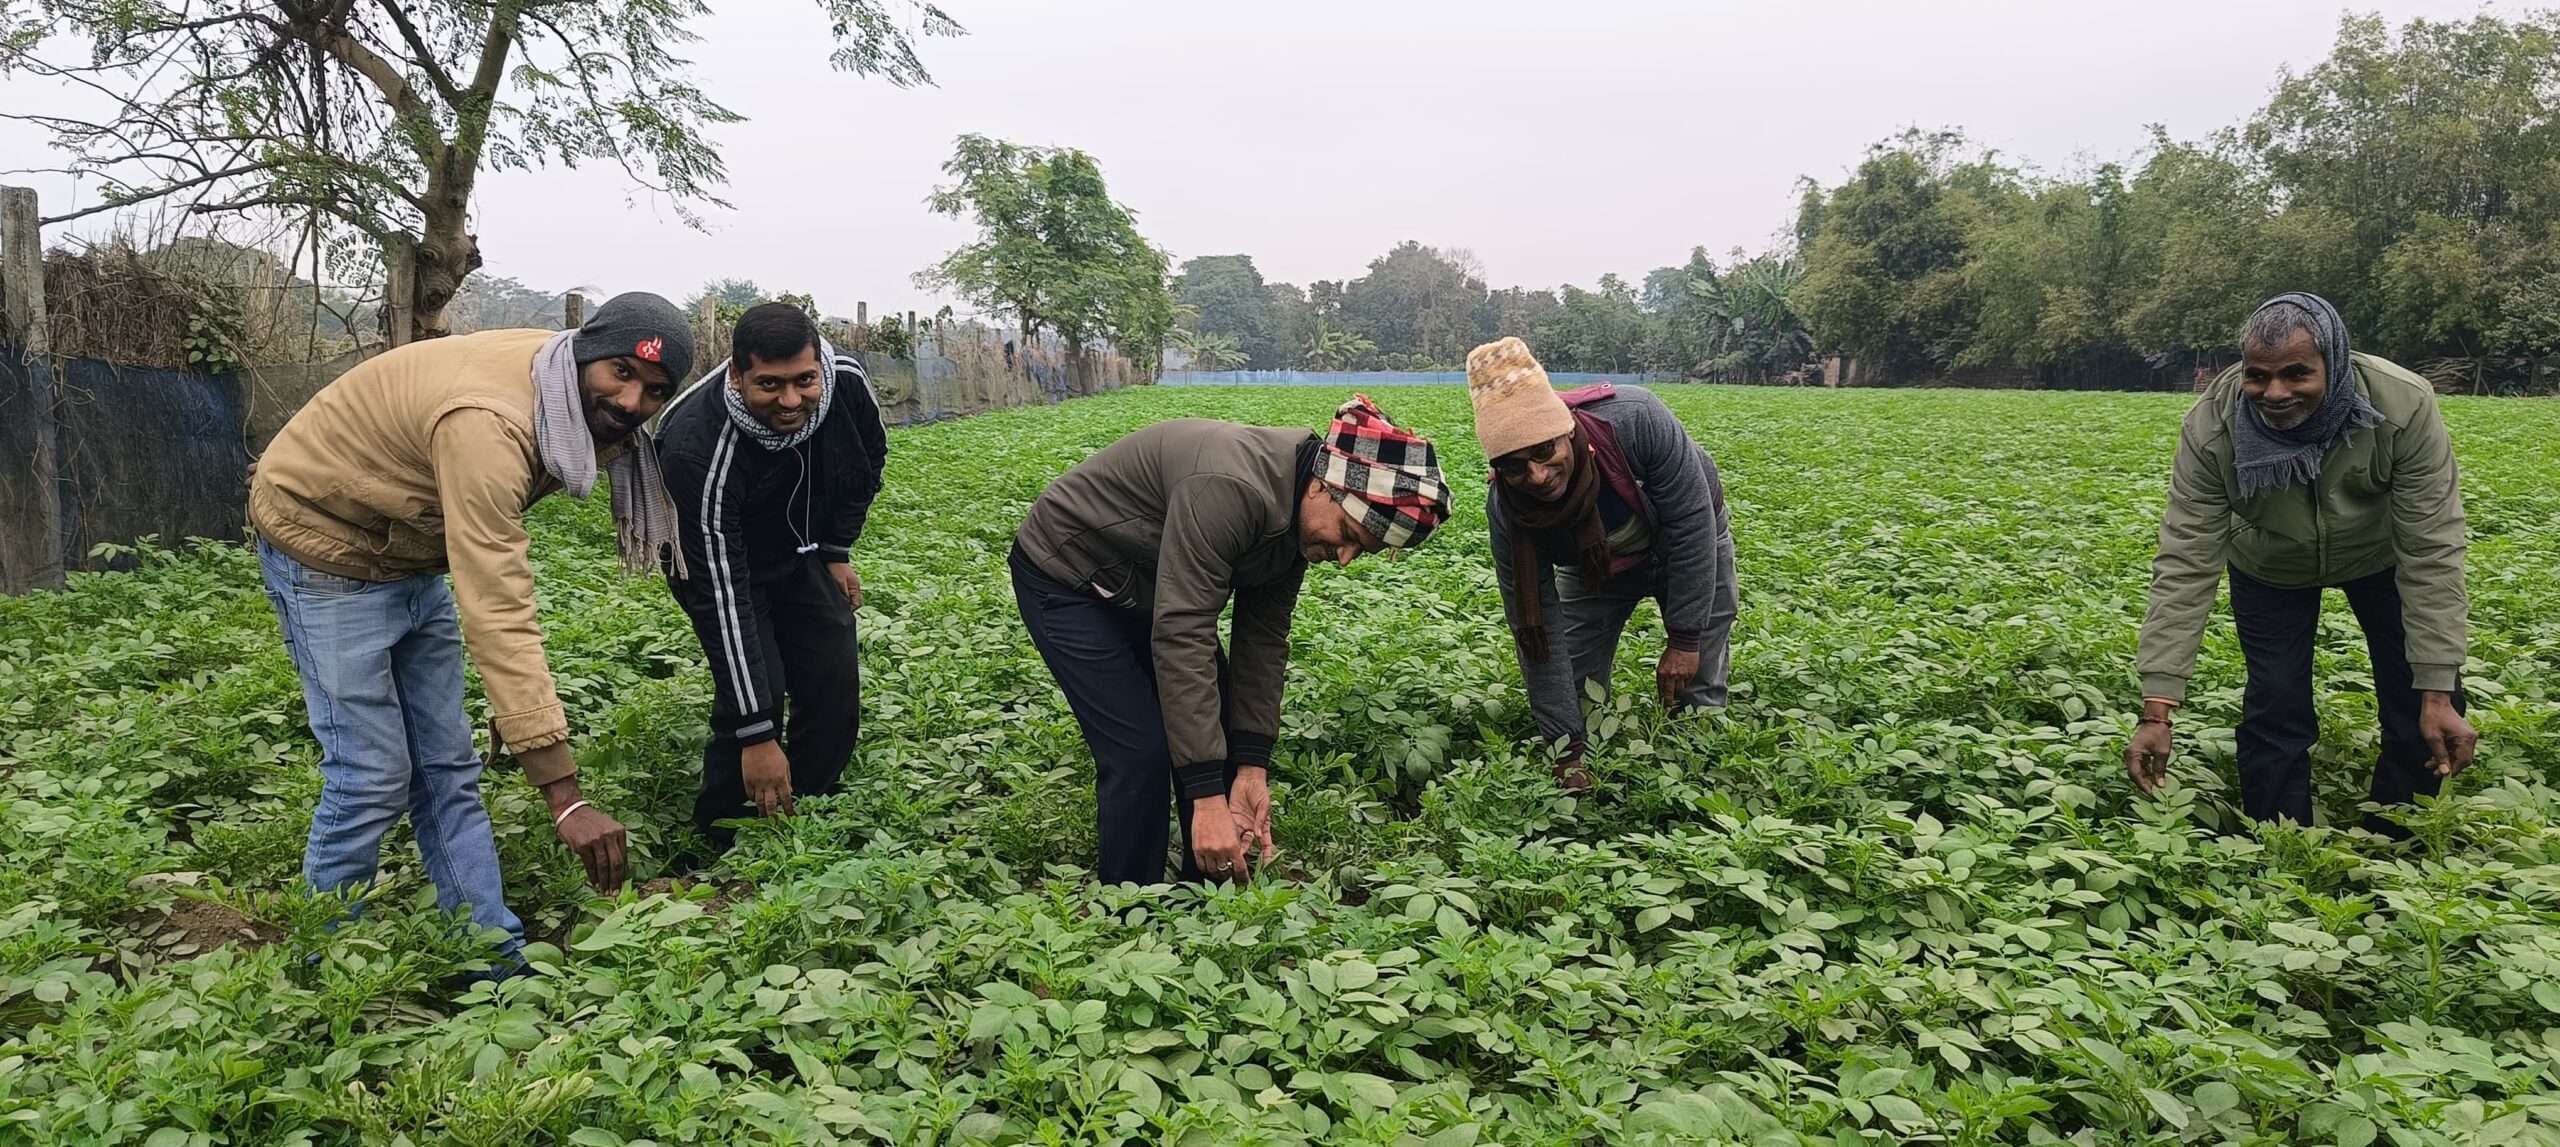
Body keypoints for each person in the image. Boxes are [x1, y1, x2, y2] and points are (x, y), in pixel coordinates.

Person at [249, 292, 696, 963]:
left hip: (408, 541)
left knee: (448, 768)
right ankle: (322, 963)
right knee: (371, 773)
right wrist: (565, 795)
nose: (631, 403)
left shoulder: (559, 389)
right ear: (583, 350)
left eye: (654, 390)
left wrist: (520, 718)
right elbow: (496, 602)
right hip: (325, 540)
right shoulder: (489, 425)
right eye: (621, 374)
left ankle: (493, 953)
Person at [1011, 396, 1451, 885]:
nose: (1344, 557)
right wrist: (1204, 796)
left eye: (1361, 552)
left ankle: (1210, 893)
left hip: (1146, 583)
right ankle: (1130, 908)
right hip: (1069, 574)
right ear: (1325, 487)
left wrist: (1251, 768)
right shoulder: (1229, 488)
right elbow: (1183, 630)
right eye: (1348, 534)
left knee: (1214, 723)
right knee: (1139, 750)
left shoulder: (1295, 522)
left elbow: (1262, 644)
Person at [2126, 291, 2478, 834]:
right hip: (2270, 562)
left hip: (2378, 554)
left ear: (2333, 363)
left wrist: (2437, 685)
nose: (2275, 392)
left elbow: (2432, 546)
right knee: (2276, 703)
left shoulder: (2401, 405)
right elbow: (2184, 560)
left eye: (2296, 373)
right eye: (2258, 376)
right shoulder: (2212, 429)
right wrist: (2158, 708)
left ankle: (2400, 838)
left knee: (2419, 703)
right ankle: (2279, 844)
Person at [656, 303, 888, 851]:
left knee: (832, 680)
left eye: (804, 381)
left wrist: (834, 549)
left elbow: (866, 464)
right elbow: (722, 596)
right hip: (714, 563)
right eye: (769, 385)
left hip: (800, 548)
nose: (790, 401)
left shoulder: (845, 384)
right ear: (736, 375)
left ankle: (808, 810)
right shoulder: (697, 446)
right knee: (757, 686)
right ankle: (719, 841)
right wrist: (758, 732)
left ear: (820, 366)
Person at [1467, 337, 1735, 792]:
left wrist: (1686, 638)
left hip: (1682, 540)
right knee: (1576, 692)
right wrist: (1565, 750)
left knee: (1696, 684)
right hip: (1593, 567)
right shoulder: (1509, 510)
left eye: (1544, 452)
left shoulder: (1636, 419)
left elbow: (1692, 526)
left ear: (1567, 433)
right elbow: (1535, 626)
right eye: (1513, 467)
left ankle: (1698, 777)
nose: (1536, 476)